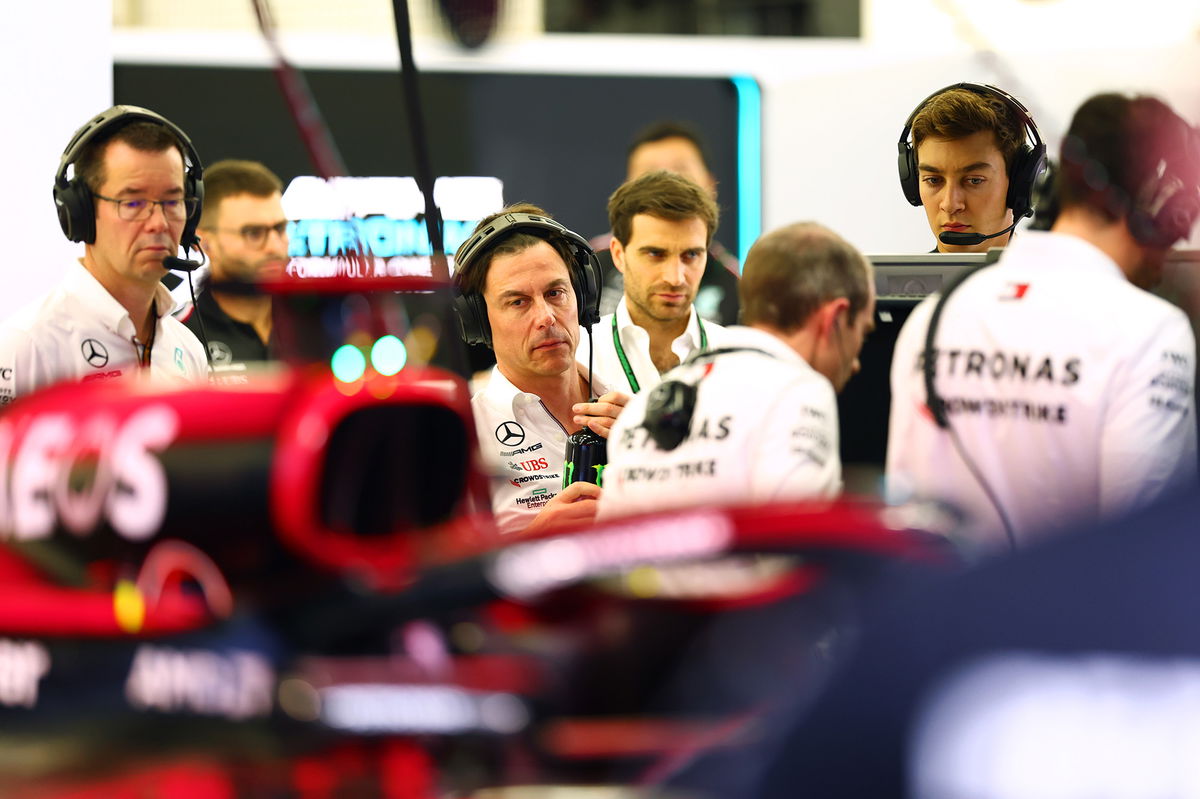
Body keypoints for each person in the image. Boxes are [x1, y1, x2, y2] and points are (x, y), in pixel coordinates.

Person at [886, 92, 1200, 554]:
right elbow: (1140, 546)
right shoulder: (1152, 331)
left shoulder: (933, 318)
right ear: (1159, 215)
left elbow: (904, 515)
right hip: (1075, 618)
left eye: (973, 179)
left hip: (942, 617)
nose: (951, 203)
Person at [598, 222, 875, 520]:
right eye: (862, 332)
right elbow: (801, 545)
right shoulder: (800, 391)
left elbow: (613, 549)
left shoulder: (643, 406)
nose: (856, 363)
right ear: (834, 318)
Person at [0, 105, 208, 403]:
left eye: (173, 201)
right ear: (81, 212)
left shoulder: (188, 349)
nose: (159, 223)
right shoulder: (25, 346)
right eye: (133, 203)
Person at [453, 203, 628, 535]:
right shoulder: (463, 440)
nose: (546, 317)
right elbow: (438, 578)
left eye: (555, 292)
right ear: (478, 322)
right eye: (518, 301)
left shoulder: (636, 408)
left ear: (583, 297)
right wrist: (532, 542)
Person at [577, 170, 731, 394]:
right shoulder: (578, 354)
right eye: (655, 254)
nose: (675, 278)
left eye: (691, 255)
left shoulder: (737, 359)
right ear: (619, 255)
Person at [591, 121, 741, 325]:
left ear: (710, 184)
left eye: (681, 170)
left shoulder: (738, 286)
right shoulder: (586, 265)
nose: (667, 183)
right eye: (649, 173)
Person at [897, 83, 1047, 253]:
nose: (950, 204)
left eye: (974, 180)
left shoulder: (1061, 278)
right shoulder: (879, 280)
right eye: (933, 180)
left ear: (1019, 184)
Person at [176, 159, 289, 374]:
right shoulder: (181, 337)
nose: (275, 247)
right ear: (204, 242)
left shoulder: (324, 325)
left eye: (280, 228)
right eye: (254, 233)